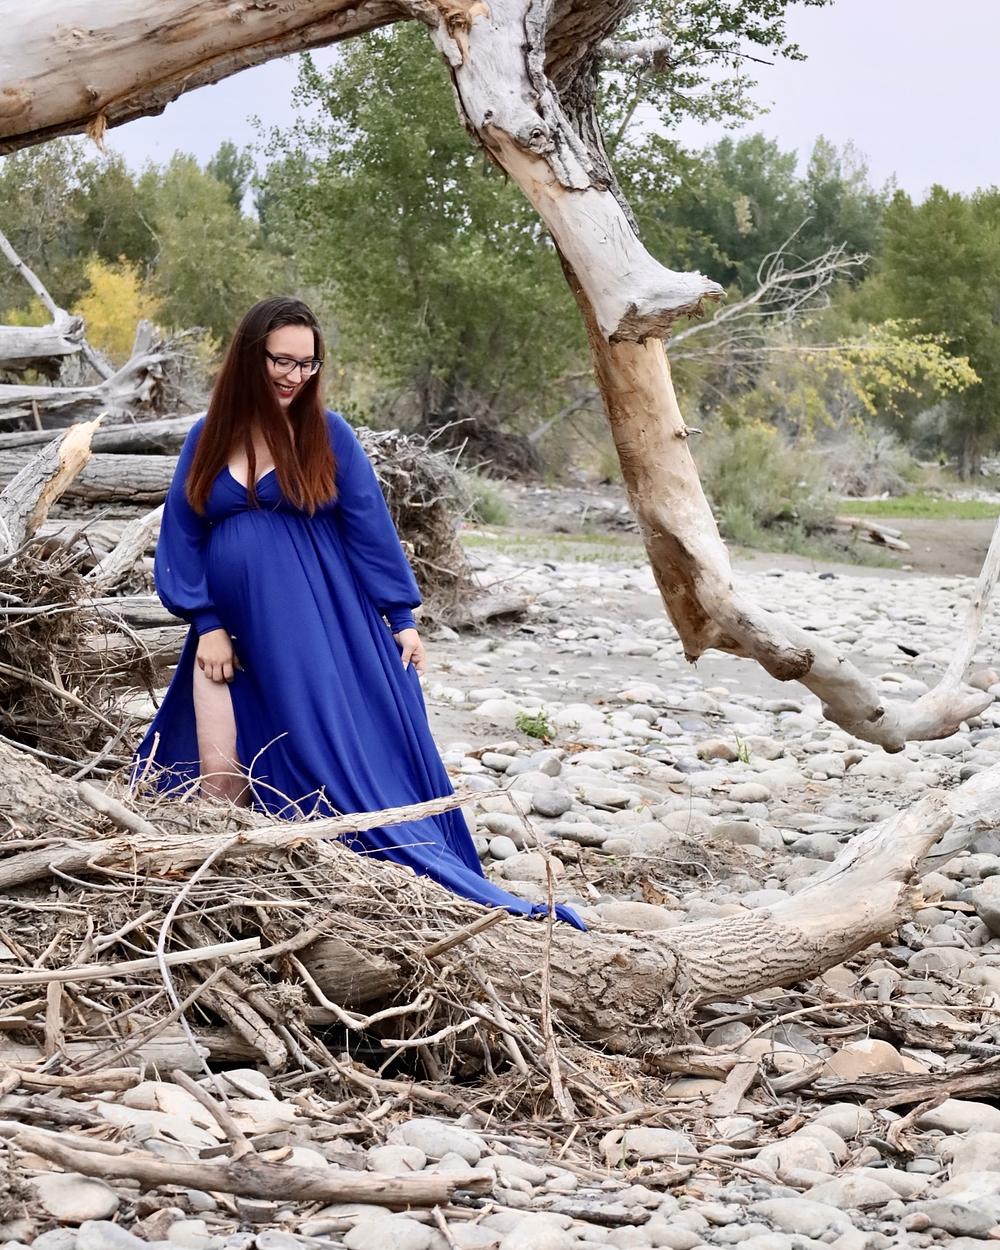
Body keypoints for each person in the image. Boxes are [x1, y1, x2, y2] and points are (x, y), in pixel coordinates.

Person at [132, 296, 584, 929]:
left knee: (324, 760)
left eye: (308, 364)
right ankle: (222, 890)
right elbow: (183, 535)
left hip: (314, 626)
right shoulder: (208, 436)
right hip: (228, 632)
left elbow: (369, 530)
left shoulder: (327, 434)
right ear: (249, 356)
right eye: (282, 361)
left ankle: (328, 876)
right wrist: (205, 623)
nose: (294, 376)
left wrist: (402, 618)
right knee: (218, 772)